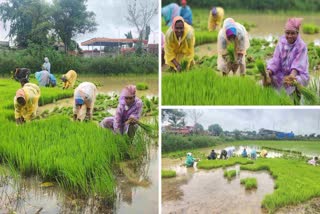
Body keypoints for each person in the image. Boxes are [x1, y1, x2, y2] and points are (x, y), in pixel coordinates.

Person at [264, 18, 309, 97]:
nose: (290, 36)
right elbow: (276, 60)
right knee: (270, 78)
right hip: (282, 73)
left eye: (293, 33)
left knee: (295, 82)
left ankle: (296, 102)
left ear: (297, 33)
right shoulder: (281, 43)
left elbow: (298, 65)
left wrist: (291, 76)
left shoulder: (301, 46)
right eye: (287, 33)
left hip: (297, 74)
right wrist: (268, 72)